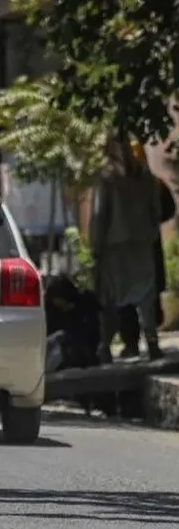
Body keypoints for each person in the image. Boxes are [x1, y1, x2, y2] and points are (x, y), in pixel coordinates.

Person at [89, 138, 164, 362]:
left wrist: (96, 245)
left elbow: (100, 214)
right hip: (142, 243)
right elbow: (156, 208)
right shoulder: (144, 174)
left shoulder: (106, 177)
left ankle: (104, 348)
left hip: (115, 247)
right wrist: (150, 232)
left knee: (110, 298)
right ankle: (152, 343)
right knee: (146, 296)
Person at [118, 171, 176, 357]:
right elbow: (168, 210)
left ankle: (136, 343)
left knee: (131, 300)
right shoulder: (152, 183)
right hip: (143, 249)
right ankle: (149, 343)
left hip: (129, 250)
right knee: (145, 299)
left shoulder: (118, 185)